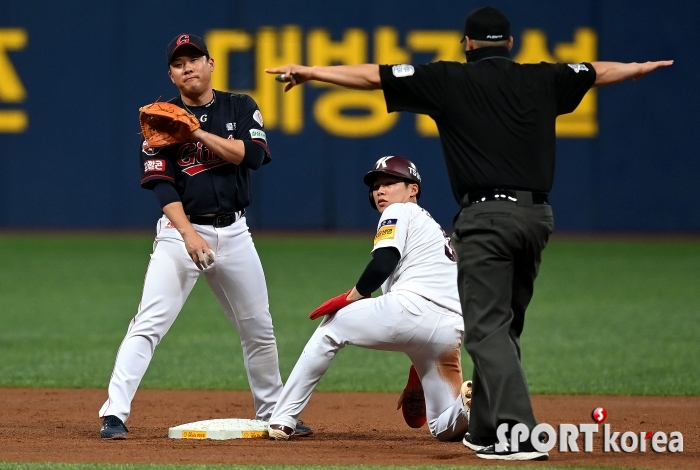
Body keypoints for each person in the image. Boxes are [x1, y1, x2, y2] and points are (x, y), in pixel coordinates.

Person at [265, 6, 672, 460]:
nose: (381, 191)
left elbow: (372, 76)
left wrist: (311, 71)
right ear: (511, 44)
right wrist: (635, 69)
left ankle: (517, 434)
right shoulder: (541, 77)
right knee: (501, 334)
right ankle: (478, 426)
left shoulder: (447, 83)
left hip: (483, 222)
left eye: (387, 184)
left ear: (467, 44)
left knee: (466, 333)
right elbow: (596, 71)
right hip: (535, 220)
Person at [98, 33, 312, 439]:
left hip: (235, 231)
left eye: (194, 59)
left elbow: (250, 156)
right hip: (182, 232)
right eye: (179, 64)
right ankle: (114, 413)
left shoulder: (241, 106)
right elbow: (162, 185)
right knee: (150, 323)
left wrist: (194, 133)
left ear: (211, 64)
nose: (188, 67)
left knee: (259, 329)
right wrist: (188, 235)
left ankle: (275, 414)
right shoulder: (162, 117)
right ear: (172, 75)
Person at [267, 155, 472, 442]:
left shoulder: (399, 212)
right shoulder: (436, 232)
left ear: (413, 189)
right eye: (376, 185)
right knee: (442, 426)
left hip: (411, 310)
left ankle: (282, 419)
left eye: (389, 182)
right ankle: (470, 407)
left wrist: (350, 298)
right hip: (450, 330)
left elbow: (383, 263)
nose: (380, 190)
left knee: (333, 326)